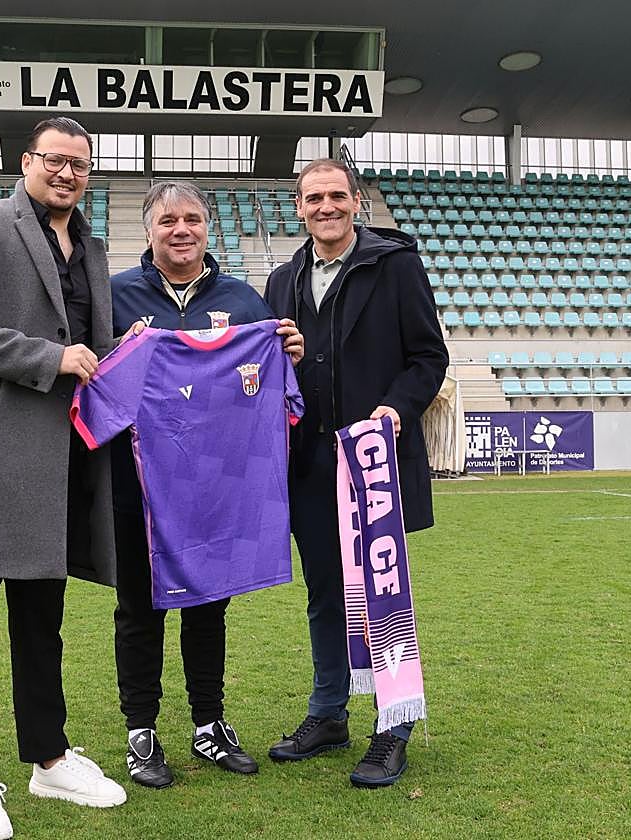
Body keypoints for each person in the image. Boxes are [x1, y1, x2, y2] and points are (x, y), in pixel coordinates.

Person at [0, 116, 126, 840]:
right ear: (27, 161)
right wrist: (51, 357)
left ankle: (47, 758)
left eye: (80, 163)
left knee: (43, 626)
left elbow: (92, 352)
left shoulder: (93, 249)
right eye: (55, 160)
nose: (67, 173)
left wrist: (118, 351)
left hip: (61, 461)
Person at [107, 181, 304, 788]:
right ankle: (141, 730)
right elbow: (88, 373)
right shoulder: (113, 297)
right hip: (137, 484)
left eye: (192, 218)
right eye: (168, 220)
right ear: (149, 230)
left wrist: (286, 354)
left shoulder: (244, 301)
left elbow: (270, 388)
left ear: (207, 228)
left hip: (217, 484)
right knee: (138, 606)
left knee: (208, 603)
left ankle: (208, 725)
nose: (181, 230)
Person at [262, 158, 448, 788]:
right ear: (298, 207)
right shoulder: (283, 279)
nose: (326, 207)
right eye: (313, 198)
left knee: (381, 595)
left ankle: (391, 726)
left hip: (374, 464)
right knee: (323, 592)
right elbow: (266, 373)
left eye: (336, 196)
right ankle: (328, 713)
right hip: (309, 463)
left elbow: (429, 355)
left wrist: (395, 409)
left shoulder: (395, 265)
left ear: (357, 201)